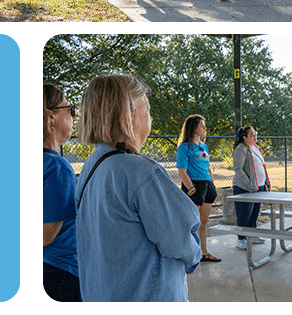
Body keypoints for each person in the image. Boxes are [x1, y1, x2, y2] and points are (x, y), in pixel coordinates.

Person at [75, 74, 201, 302]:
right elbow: (180, 240)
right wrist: (195, 254)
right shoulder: (141, 173)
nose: (150, 118)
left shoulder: (90, 168)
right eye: (147, 109)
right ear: (128, 117)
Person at [43, 84, 81, 301]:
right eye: (70, 109)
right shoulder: (57, 167)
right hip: (60, 272)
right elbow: (45, 235)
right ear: (51, 117)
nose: (74, 118)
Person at [177, 115, 221, 262]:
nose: (204, 128)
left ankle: (203, 253)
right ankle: (189, 255)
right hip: (194, 185)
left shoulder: (204, 146)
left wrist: (212, 184)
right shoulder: (184, 147)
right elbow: (182, 172)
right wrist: (191, 189)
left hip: (207, 185)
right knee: (191, 223)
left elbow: (208, 168)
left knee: (203, 222)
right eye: (201, 125)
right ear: (193, 127)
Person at [232, 126, 271, 250]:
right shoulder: (241, 149)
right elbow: (238, 169)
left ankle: (252, 235)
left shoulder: (255, 148)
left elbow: (261, 166)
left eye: (255, 133)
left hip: (258, 187)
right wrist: (249, 184)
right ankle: (241, 239)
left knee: (254, 212)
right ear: (244, 137)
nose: (255, 136)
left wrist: (265, 182)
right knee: (244, 214)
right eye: (252, 134)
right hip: (245, 188)